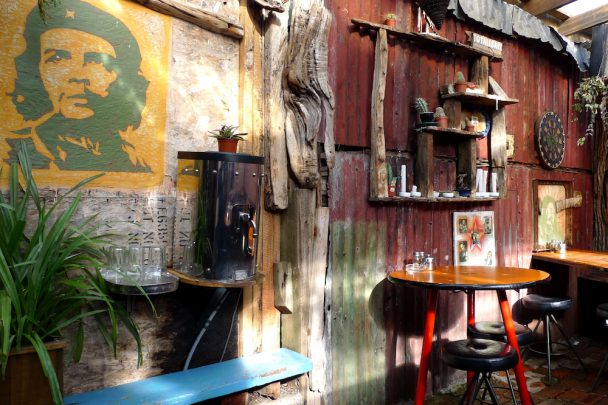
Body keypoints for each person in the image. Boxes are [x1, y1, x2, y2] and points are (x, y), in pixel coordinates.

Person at [4, 0, 150, 172]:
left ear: (122, 76)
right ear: (37, 69)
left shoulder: (133, 161)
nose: (78, 76)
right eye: (57, 58)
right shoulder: (9, 151)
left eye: (96, 61)